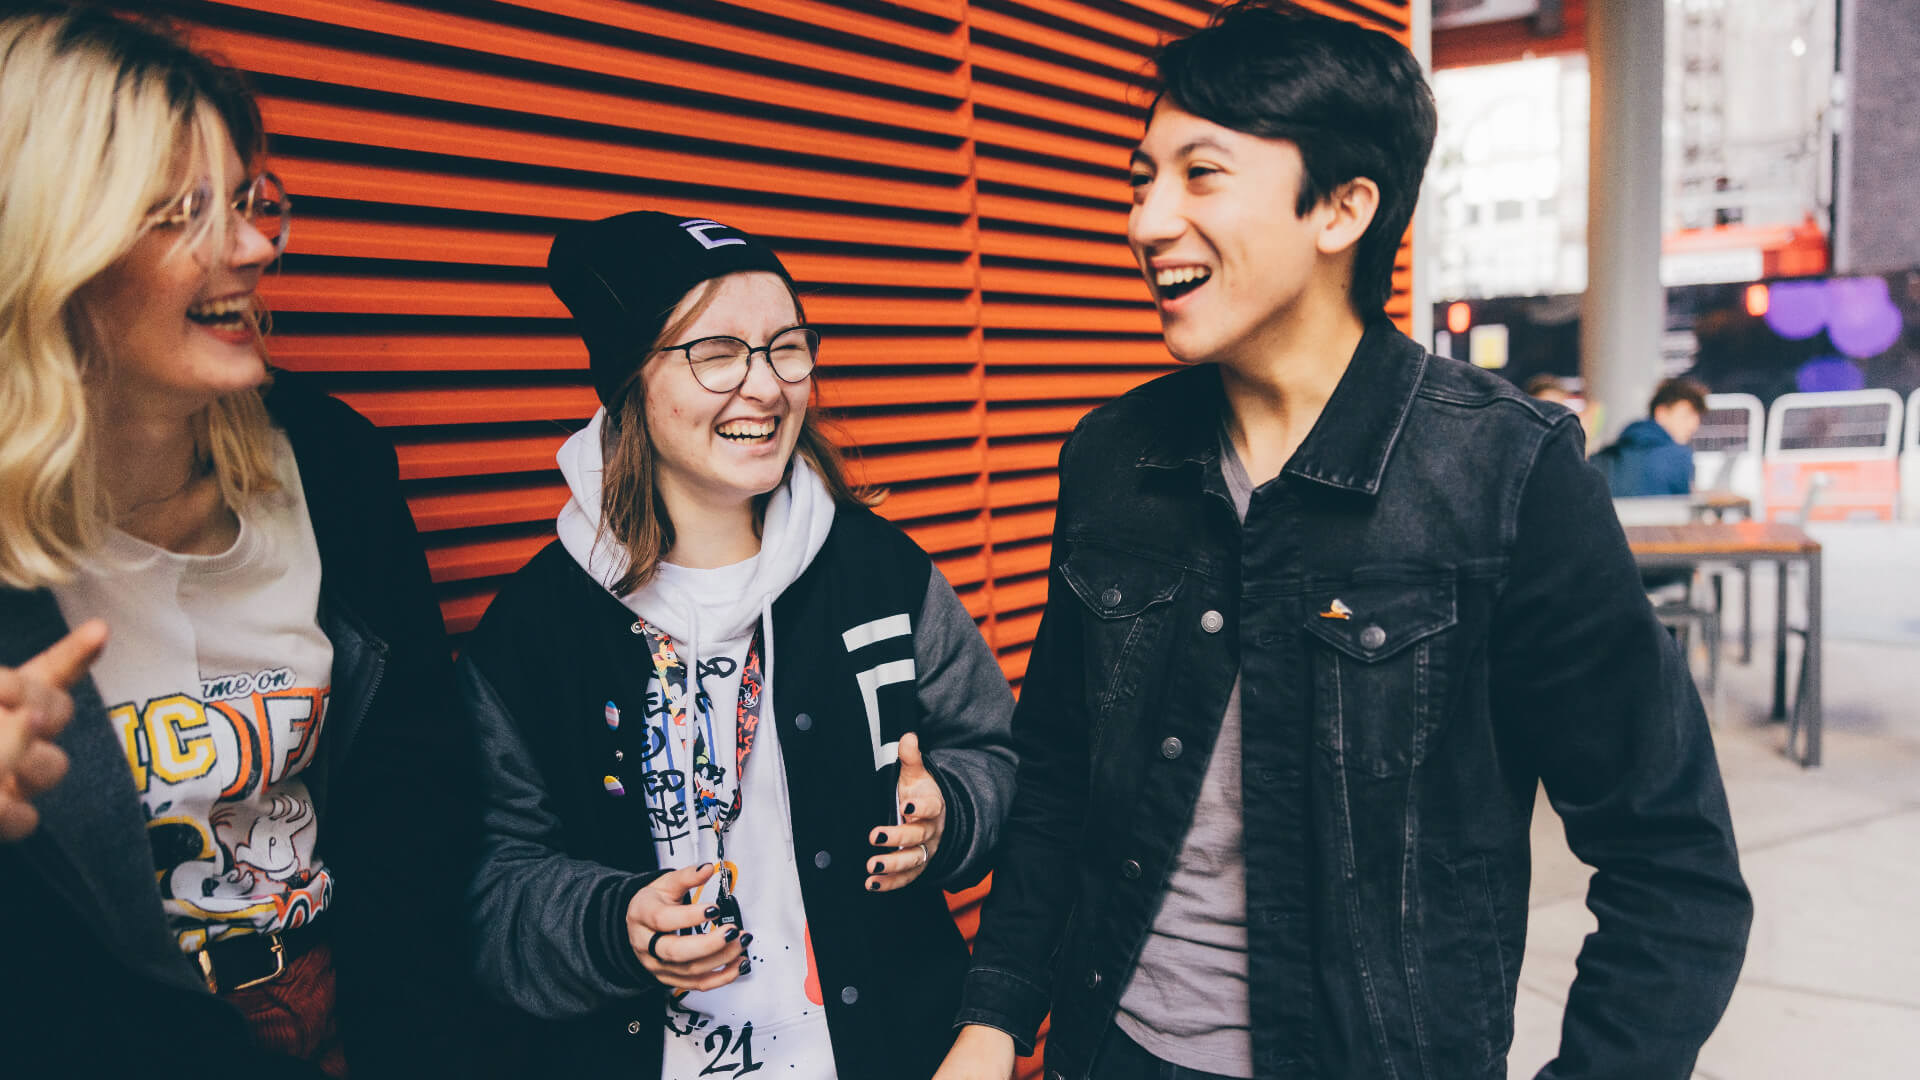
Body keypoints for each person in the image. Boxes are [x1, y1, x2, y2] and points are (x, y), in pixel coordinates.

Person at [937, 4, 1750, 1079]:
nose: (1146, 220)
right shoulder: (1113, 458)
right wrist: (994, 1020)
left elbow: (1671, 867)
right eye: (1142, 180)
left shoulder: (1507, 472)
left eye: (1201, 174)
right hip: (1113, 1050)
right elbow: (1057, 785)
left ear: (1343, 208)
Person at [0, 7, 481, 1076]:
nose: (255, 246)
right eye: (185, 212)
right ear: (50, 240)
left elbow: (420, 803)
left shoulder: (336, 470)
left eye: (255, 204)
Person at [461, 210, 1016, 1078]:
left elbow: (998, 755)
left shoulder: (882, 576)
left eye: (786, 347)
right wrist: (617, 926)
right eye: (716, 352)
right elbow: (490, 887)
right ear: (630, 381)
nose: (764, 387)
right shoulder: (538, 630)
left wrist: (953, 813)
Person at [1593, 375, 1710, 496]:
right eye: (1686, 416)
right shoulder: (1678, 456)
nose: (1693, 426)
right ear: (1661, 413)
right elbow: (1685, 509)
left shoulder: (1605, 456)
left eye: (1697, 418)